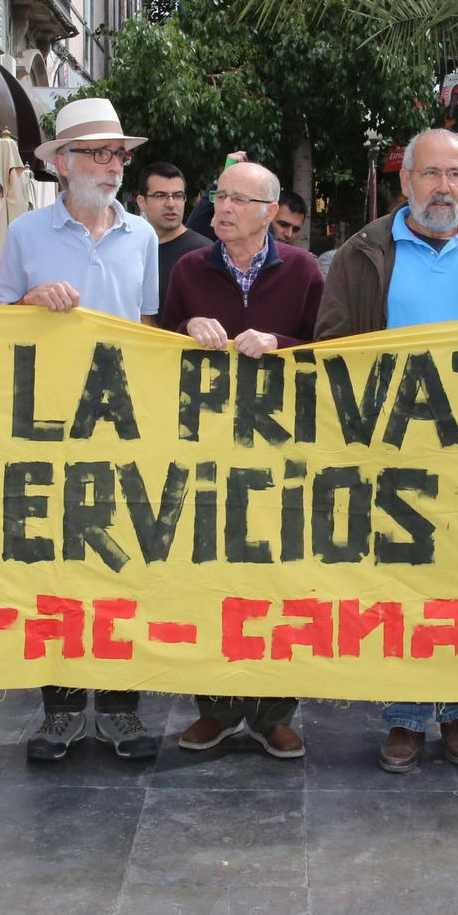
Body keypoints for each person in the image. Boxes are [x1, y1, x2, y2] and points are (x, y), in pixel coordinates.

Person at [316, 128, 458, 772]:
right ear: (406, 180)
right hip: (389, 449)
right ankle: (406, 718)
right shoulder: (360, 252)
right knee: (401, 584)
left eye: (456, 175)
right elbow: (331, 343)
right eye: (432, 174)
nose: (445, 187)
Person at [0, 97, 164, 762]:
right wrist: (31, 304)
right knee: (55, 570)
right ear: (62, 163)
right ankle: (61, 710)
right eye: (98, 153)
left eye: (119, 153)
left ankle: (121, 708)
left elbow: (147, 328)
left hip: (123, 433)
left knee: (122, 568)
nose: (113, 165)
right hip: (49, 431)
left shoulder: (144, 236)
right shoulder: (25, 236)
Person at [160, 160, 326, 760]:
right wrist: (186, 325)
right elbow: (158, 344)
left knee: (280, 578)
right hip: (206, 447)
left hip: (282, 449)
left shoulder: (305, 271)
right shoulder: (186, 269)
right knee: (208, 575)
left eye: (238, 199)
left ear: (267, 212)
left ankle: (276, 713)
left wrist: (278, 344)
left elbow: (330, 352)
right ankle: (216, 709)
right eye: (220, 196)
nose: (222, 207)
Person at [135, 160, 210, 303]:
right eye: (160, 196)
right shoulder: (129, 247)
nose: (170, 203)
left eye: (177, 196)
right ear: (142, 202)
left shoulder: (203, 253)